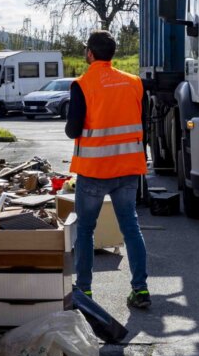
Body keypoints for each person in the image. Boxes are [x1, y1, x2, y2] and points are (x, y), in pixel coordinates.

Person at [64, 30, 150, 309]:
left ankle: (85, 292)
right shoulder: (134, 83)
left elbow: (72, 130)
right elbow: (143, 123)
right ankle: (140, 290)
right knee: (131, 228)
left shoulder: (82, 84)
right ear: (112, 54)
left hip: (94, 171)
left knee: (86, 231)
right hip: (127, 169)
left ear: (90, 54)